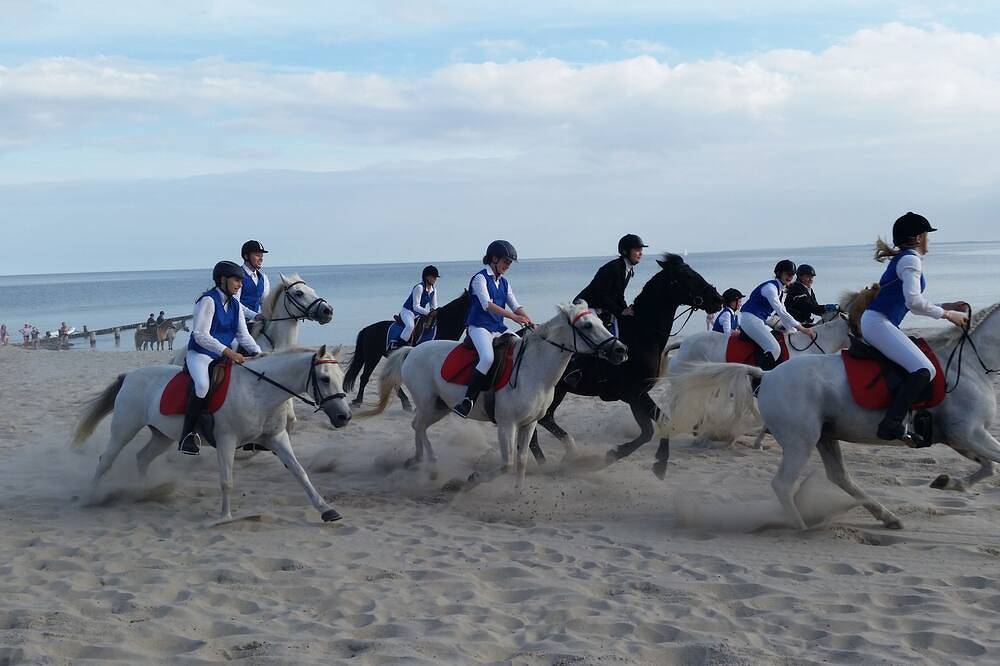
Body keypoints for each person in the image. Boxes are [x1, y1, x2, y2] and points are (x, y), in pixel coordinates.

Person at [860, 212, 967, 441]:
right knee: (924, 370)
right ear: (919, 237)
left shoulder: (905, 258)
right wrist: (948, 315)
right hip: (879, 322)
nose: (929, 239)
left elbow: (911, 304)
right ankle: (891, 423)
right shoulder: (911, 260)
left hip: (878, 321)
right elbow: (914, 302)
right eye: (927, 234)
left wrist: (946, 305)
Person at [180, 261, 262, 455]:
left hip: (222, 354)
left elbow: (243, 335)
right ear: (222, 280)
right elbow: (200, 334)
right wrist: (229, 352)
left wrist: (259, 353)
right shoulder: (208, 300)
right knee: (202, 386)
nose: (240, 284)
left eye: (241, 281)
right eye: (236, 280)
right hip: (200, 354)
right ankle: (187, 436)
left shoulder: (235, 304)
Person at [452, 240, 534, 418]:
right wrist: (514, 318)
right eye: (506, 262)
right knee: (488, 358)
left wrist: (530, 321)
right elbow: (487, 305)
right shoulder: (480, 278)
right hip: (479, 327)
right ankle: (468, 401)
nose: (508, 266)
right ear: (494, 259)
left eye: (509, 263)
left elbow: (515, 306)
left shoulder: (504, 282)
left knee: (520, 346)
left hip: (497, 328)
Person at [739, 260, 816, 370]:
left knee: (780, 338)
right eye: (788, 274)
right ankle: (757, 380)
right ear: (779, 273)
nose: (790, 277)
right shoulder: (770, 288)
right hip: (751, 320)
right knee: (774, 349)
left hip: (759, 320)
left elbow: (784, 312)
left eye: (792, 275)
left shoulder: (781, 291)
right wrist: (802, 329)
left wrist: (793, 331)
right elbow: (781, 312)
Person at [392, 265, 440, 350]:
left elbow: (434, 306)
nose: (435, 279)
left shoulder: (434, 290)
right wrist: (429, 313)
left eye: (436, 277)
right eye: (433, 277)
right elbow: (416, 306)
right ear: (426, 277)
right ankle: (398, 345)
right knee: (410, 326)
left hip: (419, 314)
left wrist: (435, 312)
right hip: (408, 311)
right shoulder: (419, 287)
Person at [237, 240, 271, 322]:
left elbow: (265, 303)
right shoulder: (237, 276)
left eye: (262, 256)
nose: (261, 259)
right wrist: (254, 315)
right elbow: (235, 303)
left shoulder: (263, 278)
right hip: (238, 322)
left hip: (256, 323)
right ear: (246, 256)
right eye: (257, 255)